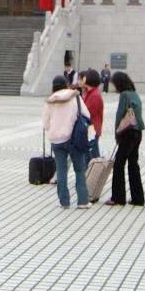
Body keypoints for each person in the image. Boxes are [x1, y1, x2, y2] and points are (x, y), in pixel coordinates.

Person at [42, 74, 91, 209]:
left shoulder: (50, 101)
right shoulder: (75, 97)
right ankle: (82, 201)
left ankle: (64, 202)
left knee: (61, 170)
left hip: (56, 141)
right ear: (66, 84)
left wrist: (53, 130)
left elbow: (45, 123)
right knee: (80, 170)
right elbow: (87, 115)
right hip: (74, 139)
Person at [107, 71, 145, 207]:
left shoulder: (124, 95)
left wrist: (117, 133)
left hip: (127, 133)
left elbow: (119, 114)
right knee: (133, 164)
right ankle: (138, 198)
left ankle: (118, 198)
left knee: (119, 164)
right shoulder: (135, 94)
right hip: (138, 132)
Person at [79, 69, 105, 160]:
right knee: (90, 158)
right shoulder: (89, 93)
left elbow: (88, 113)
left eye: (84, 77)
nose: (82, 79)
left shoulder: (94, 95)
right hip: (89, 130)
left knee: (92, 159)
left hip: (92, 130)